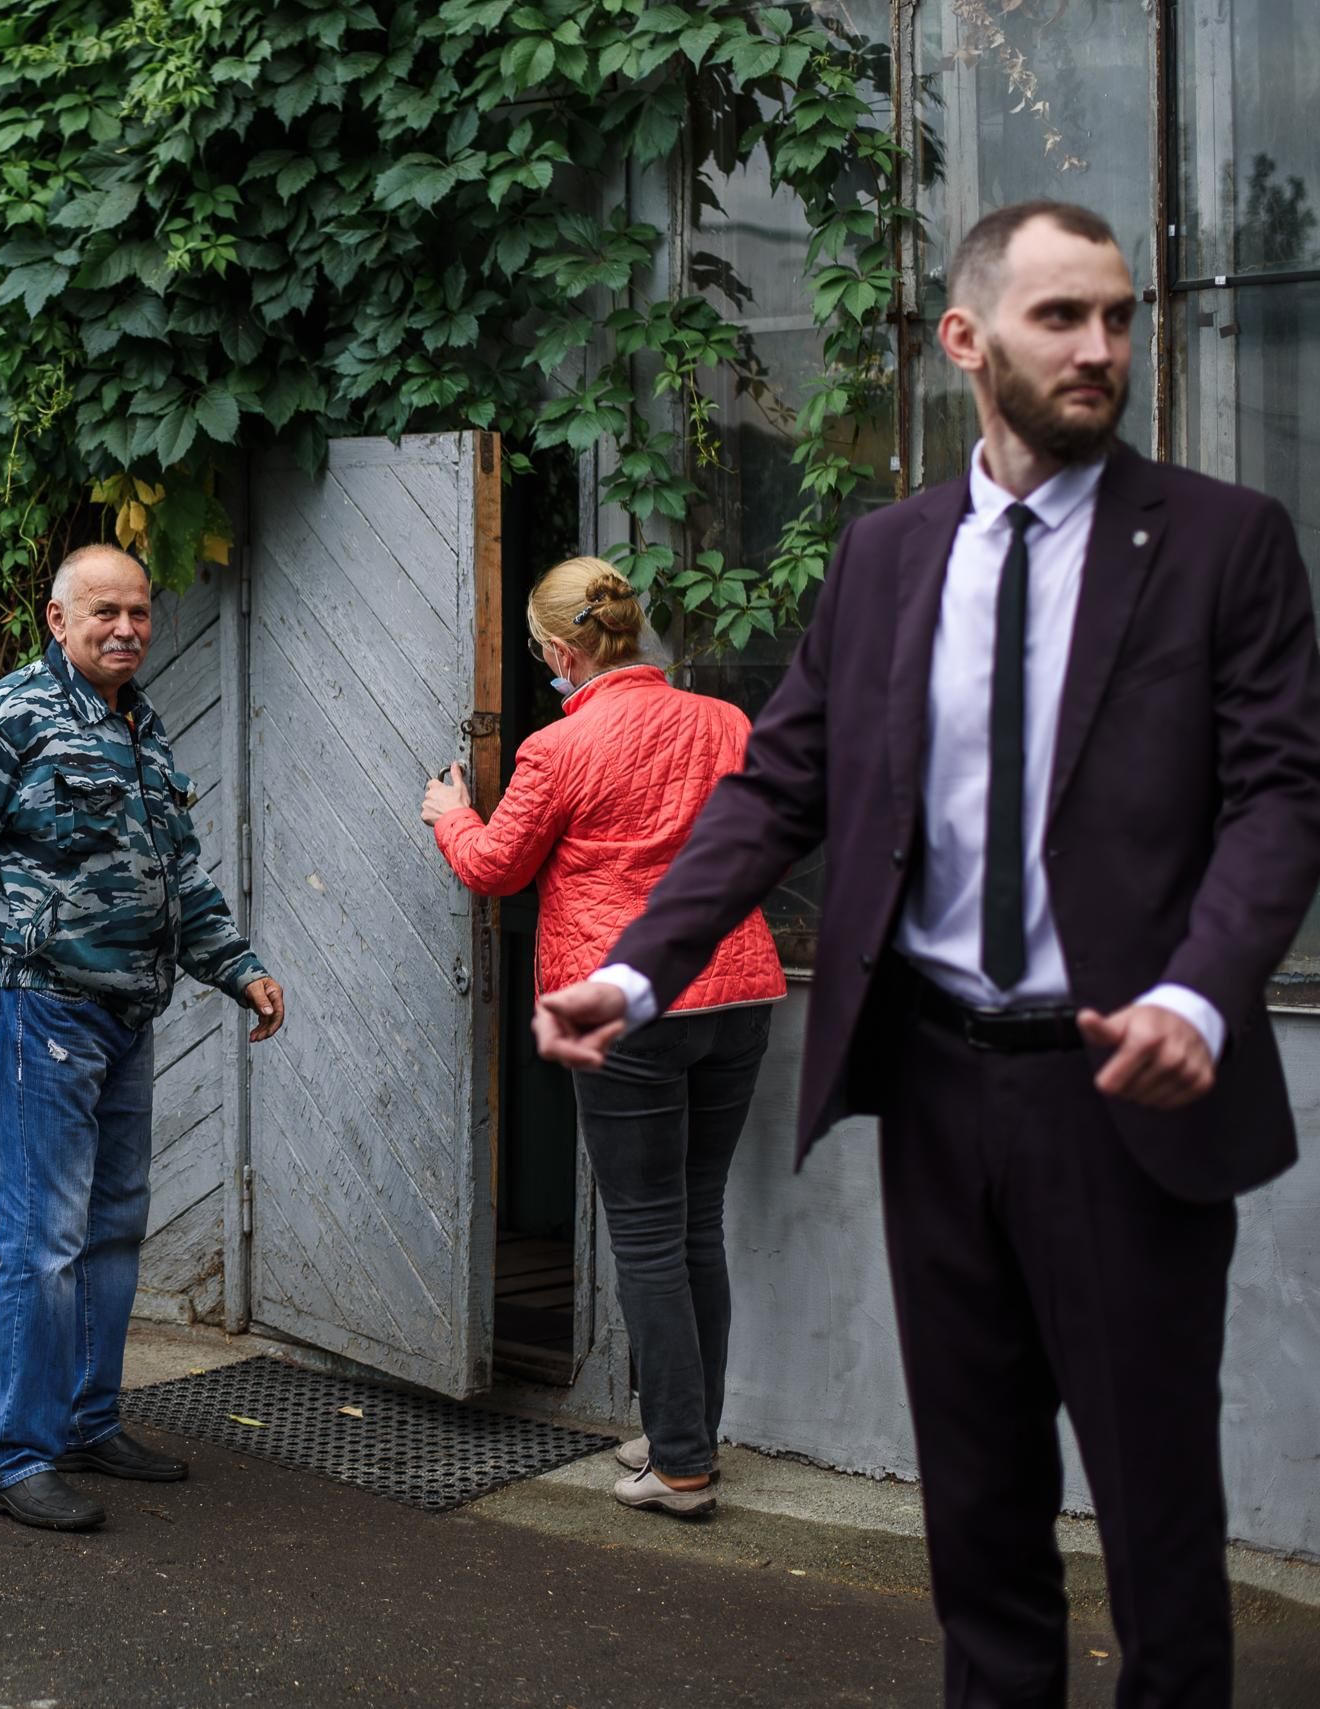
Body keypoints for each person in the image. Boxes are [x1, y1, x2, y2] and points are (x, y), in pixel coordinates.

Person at [538, 202, 1320, 1706]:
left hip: (1132, 1093)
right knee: (977, 1514)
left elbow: (1283, 793)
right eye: (1060, 319)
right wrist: (639, 971)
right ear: (965, 341)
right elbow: (781, 786)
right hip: (941, 1089)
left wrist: (1199, 988)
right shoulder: (890, 557)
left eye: (1118, 317)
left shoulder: (1224, 542)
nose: (1101, 349)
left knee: (1159, 1521)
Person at [0, 543, 286, 1532]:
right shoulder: (10, 716)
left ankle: (84, 1421)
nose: (126, 627)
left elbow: (178, 879)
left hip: (127, 1013)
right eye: (104, 611)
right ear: (56, 618)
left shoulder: (143, 731)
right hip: (42, 1006)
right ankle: (15, 1456)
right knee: (45, 1241)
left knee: (113, 1229)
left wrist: (238, 967)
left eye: (140, 612)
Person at [419, 557, 783, 1518]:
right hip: (737, 992)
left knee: (649, 1237)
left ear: (557, 650)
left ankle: (681, 1467)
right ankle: (685, 1431)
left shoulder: (557, 748)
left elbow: (499, 868)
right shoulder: (726, 723)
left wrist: (452, 816)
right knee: (696, 1221)